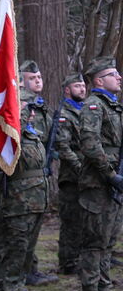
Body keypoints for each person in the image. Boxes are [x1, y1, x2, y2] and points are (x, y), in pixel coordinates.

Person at [0, 104, 49, 291]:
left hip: (36, 202)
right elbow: (5, 141)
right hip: (18, 204)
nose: (31, 113)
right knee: (14, 255)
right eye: (25, 107)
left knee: (25, 256)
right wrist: (17, 113)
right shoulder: (12, 133)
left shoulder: (32, 133)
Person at [76, 57, 123, 291]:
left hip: (113, 182)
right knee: (94, 241)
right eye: (113, 74)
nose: (119, 77)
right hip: (98, 182)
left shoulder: (114, 106)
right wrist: (110, 174)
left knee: (108, 240)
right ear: (99, 81)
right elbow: (90, 144)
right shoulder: (93, 106)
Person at [18, 60, 58, 287]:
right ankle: (21, 272)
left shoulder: (40, 106)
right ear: (21, 81)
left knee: (33, 228)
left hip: (39, 171)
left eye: (39, 77)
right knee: (22, 229)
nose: (37, 81)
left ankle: (30, 269)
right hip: (24, 174)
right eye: (32, 78)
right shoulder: (23, 104)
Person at [56, 72, 87, 276]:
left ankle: (81, 257)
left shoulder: (85, 110)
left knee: (85, 218)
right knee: (71, 219)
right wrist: (79, 166)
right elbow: (63, 146)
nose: (82, 89)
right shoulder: (64, 113)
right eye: (77, 86)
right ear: (67, 90)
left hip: (87, 174)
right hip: (72, 175)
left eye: (83, 86)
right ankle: (68, 261)